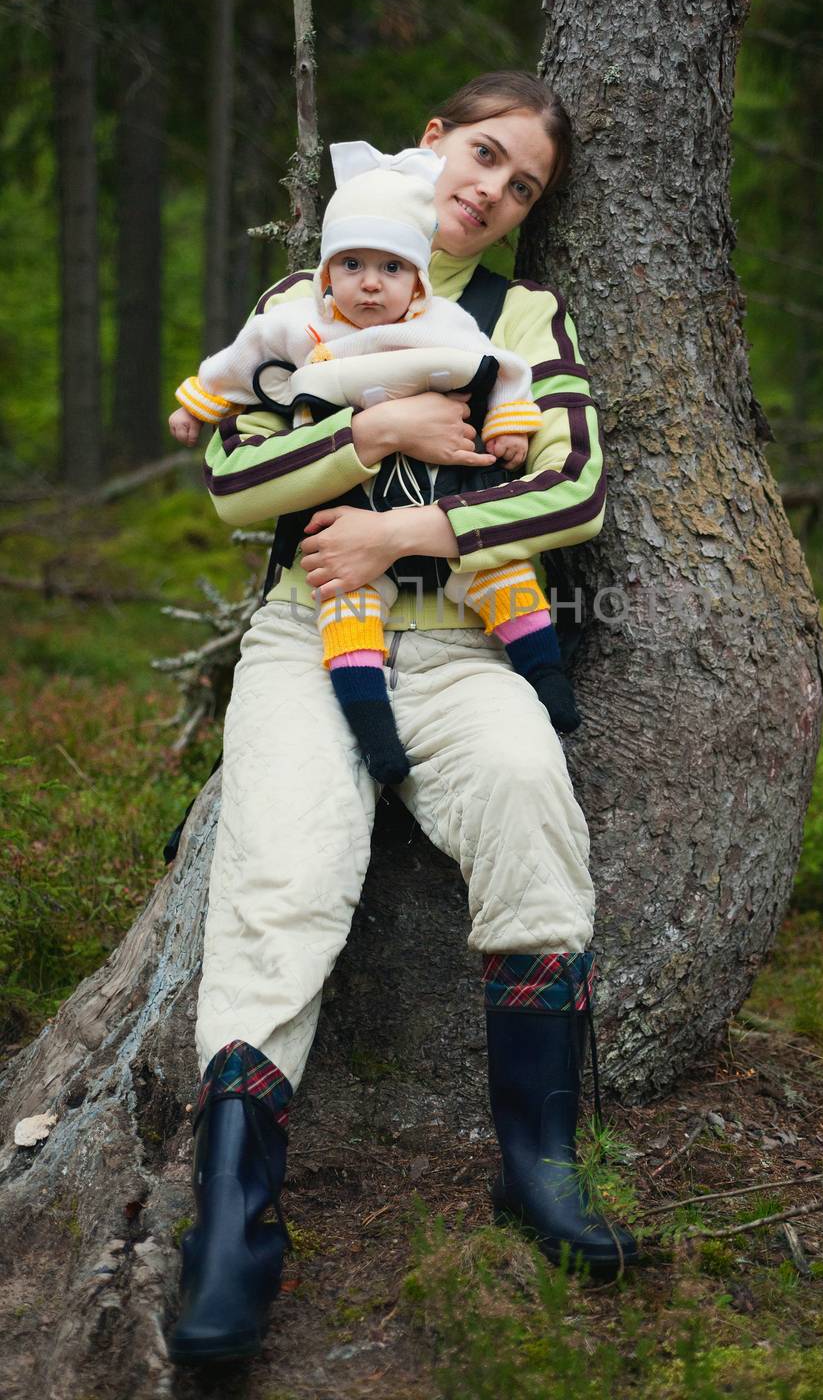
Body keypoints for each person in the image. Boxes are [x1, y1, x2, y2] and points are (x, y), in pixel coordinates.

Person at [169, 71, 637, 1369]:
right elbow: (232, 479)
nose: (490, 188)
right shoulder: (311, 291)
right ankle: (233, 1233)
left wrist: (403, 522)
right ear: (433, 144)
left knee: (531, 804)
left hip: (462, 643)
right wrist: (372, 424)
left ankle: (536, 1163)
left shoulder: (524, 316)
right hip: (308, 639)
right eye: (482, 153)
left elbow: (576, 490)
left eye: (520, 183)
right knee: (280, 879)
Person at [168, 141, 578, 785]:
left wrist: (507, 422)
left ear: (415, 281)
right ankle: (375, 740)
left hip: (452, 557)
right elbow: (237, 382)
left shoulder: (450, 321)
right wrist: (201, 404)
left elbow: (505, 377)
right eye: (350, 264)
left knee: (503, 580)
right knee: (347, 612)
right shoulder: (296, 320)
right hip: (336, 542)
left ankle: (549, 682)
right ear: (326, 270)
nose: (369, 282)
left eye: (523, 187)